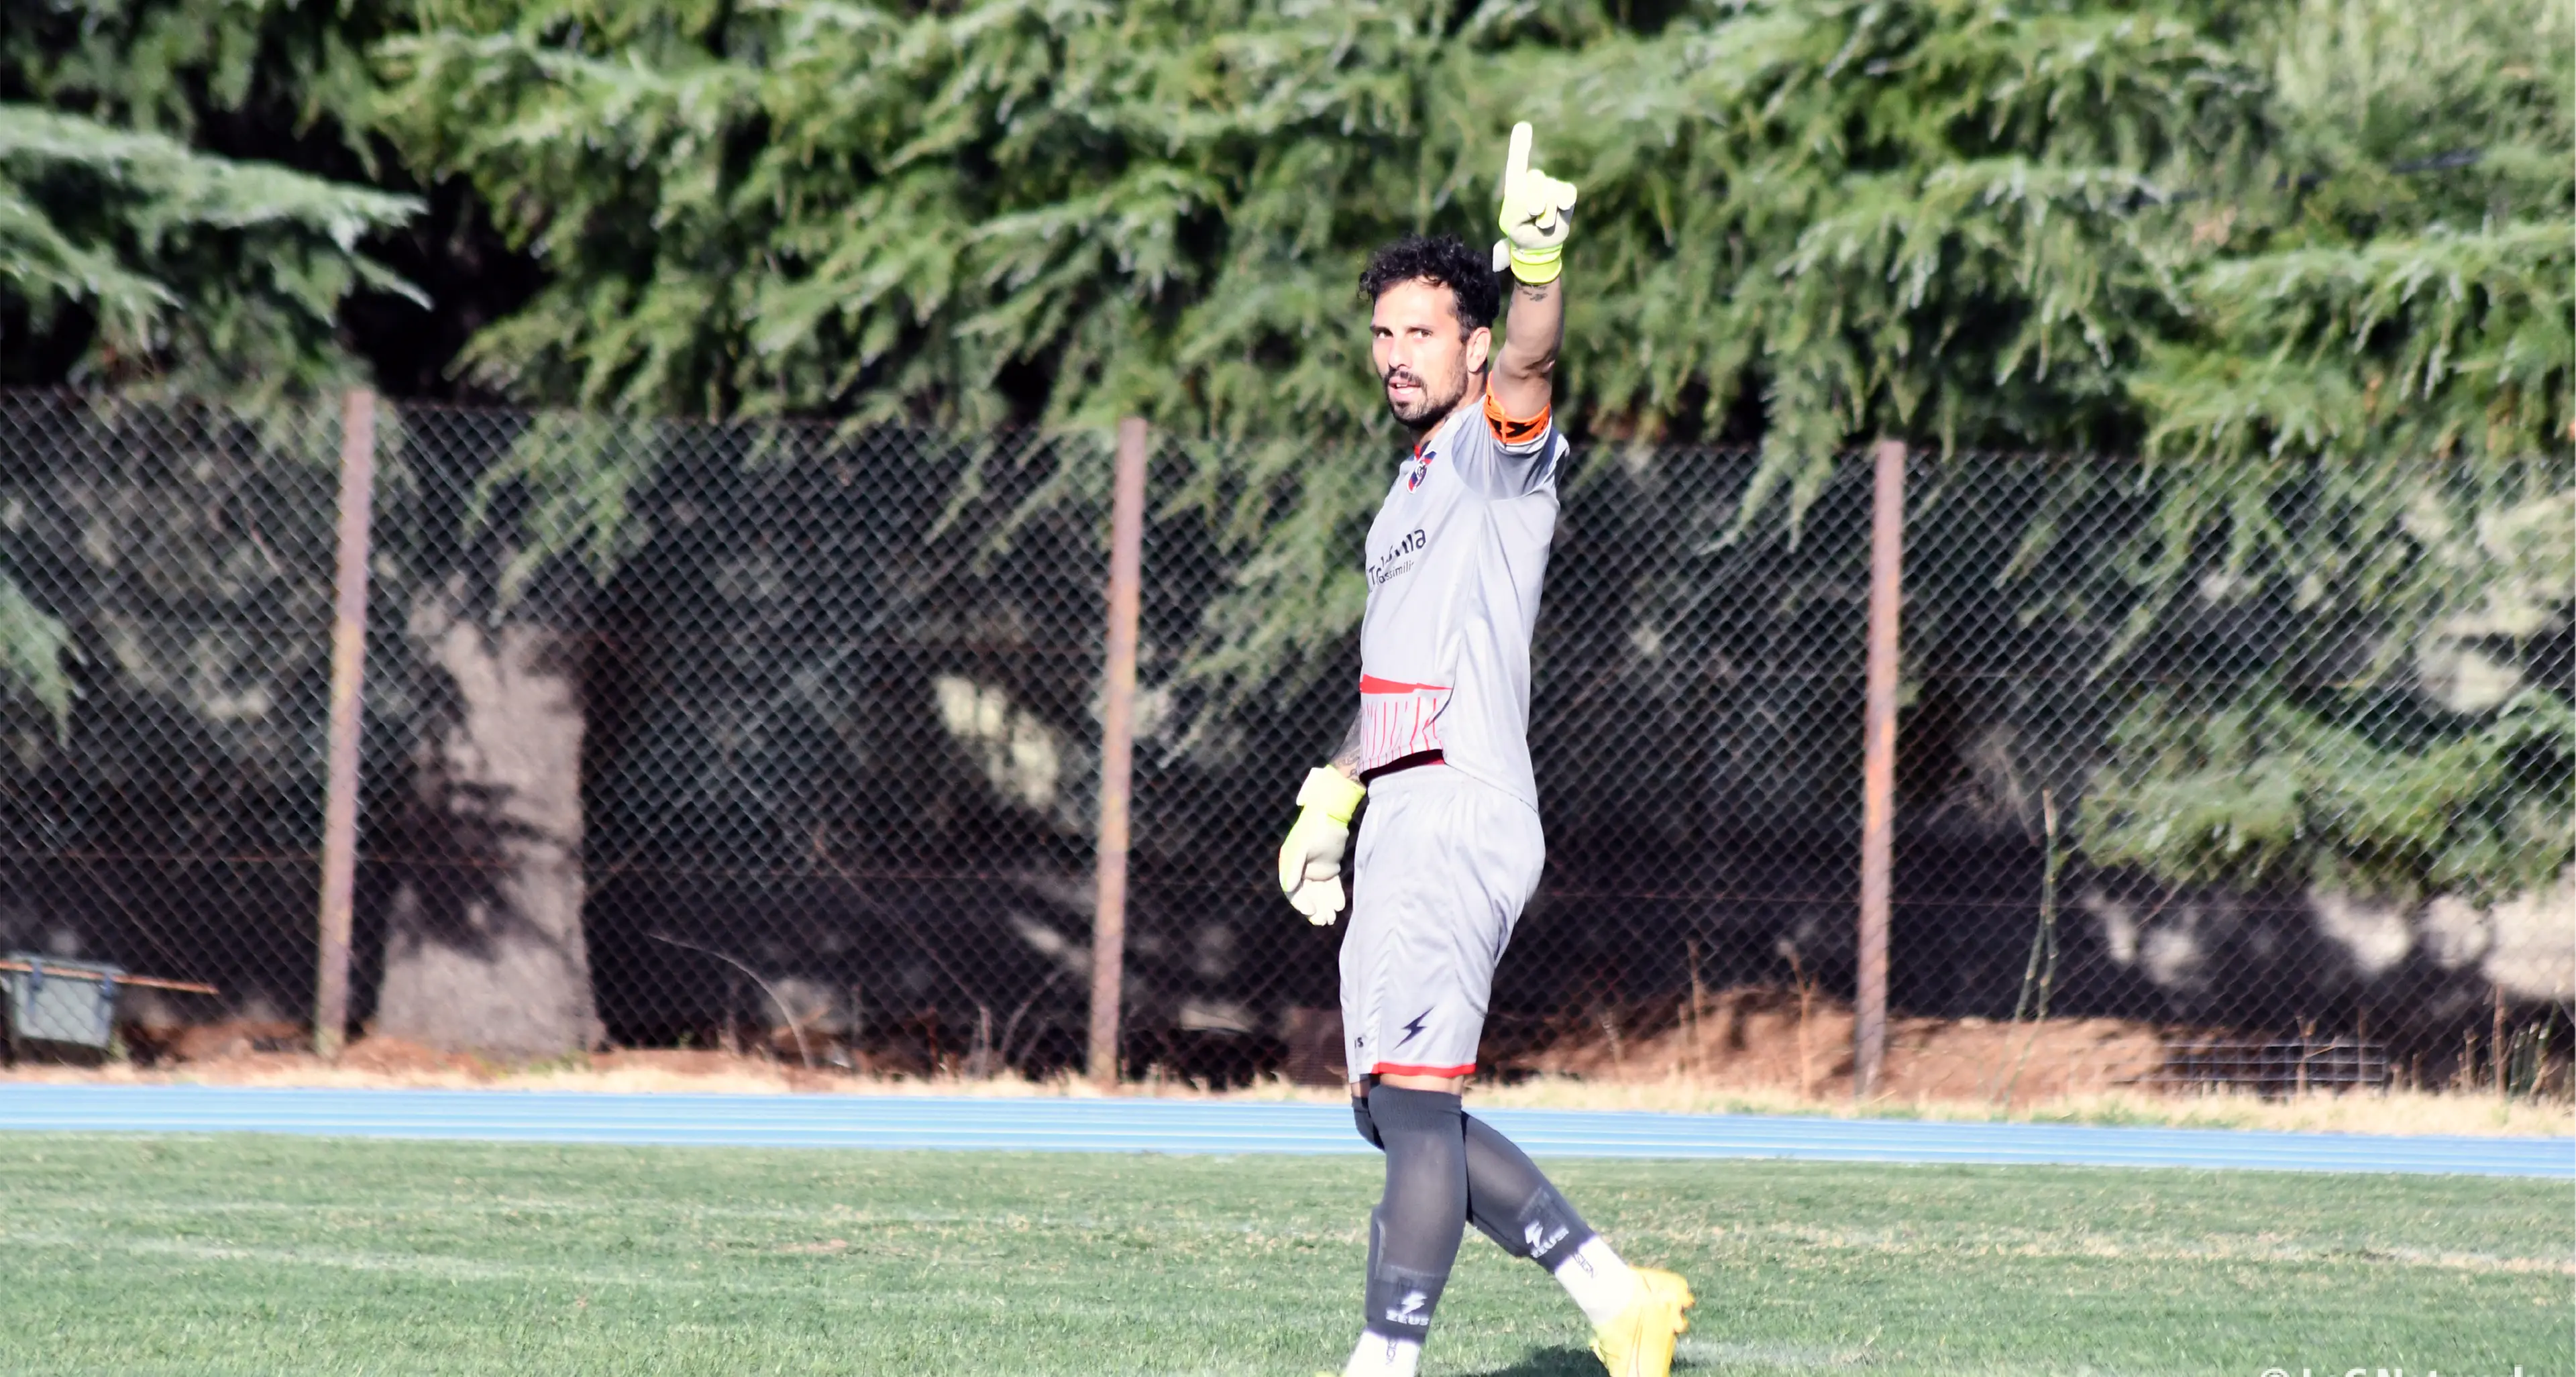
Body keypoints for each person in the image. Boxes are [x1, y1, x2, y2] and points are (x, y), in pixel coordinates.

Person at [1276, 123, 1697, 1377]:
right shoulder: (1407, 492)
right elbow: (1400, 679)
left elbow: (1531, 356)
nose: (1398, 355)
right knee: (1396, 1109)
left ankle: (1381, 1366)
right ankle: (1621, 1299)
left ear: (1465, 342)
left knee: (1411, 1107)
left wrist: (1533, 263)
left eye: (1423, 333)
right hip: (1405, 809)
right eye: (1385, 332)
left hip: (1458, 811)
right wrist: (1335, 792)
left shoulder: (1488, 455)